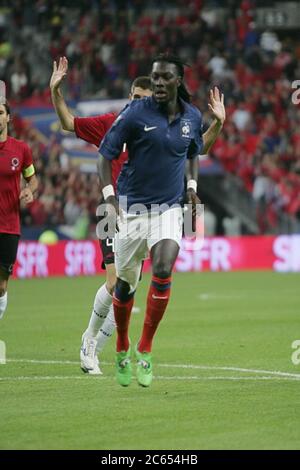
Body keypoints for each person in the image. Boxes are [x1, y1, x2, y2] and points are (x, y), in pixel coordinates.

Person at [98, 53, 225, 387]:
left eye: (164, 77)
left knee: (164, 267)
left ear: (177, 81)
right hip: (131, 209)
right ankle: (122, 345)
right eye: (154, 77)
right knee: (125, 285)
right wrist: (110, 196)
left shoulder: (192, 116)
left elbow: (194, 152)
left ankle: (145, 348)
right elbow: (105, 154)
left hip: (168, 209)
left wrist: (192, 187)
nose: (157, 82)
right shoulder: (134, 114)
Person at [50, 56, 152, 375]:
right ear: (129, 97)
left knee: (126, 288)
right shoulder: (111, 124)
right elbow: (69, 123)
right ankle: (89, 340)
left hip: (143, 217)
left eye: (145, 100)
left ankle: (96, 348)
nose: (139, 103)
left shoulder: (157, 134)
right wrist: (56, 91)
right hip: (111, 210)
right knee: (113, 281)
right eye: (135, 97)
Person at [0, 99, 38, 320]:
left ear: (8, 118)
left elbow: (32, 179)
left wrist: (30, 190)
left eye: (0, 112)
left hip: (9, 226)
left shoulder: (21, 149)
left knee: (2, 286)